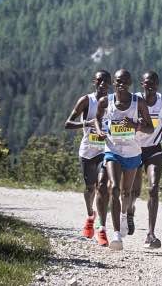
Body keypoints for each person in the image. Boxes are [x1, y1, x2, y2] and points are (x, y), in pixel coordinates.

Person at [94, 69, 155, 251]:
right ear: (114, 82)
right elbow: (97, 118)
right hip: (112, 150)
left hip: (132, 152)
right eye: (119, 81)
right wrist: (98, 130)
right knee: (114, 187)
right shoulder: (106, 101)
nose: (122, 84)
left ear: (130, 83)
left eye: (125, 81)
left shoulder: (138, 103)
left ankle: (123, 217)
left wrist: (135, 125)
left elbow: (150, 128)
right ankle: (116, 235)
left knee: (126, 193)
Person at [63, 69, 111, 246]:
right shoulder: (86, 100)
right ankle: (91, 216)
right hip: (87, 151)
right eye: (100, 80)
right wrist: (88, 123)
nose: (103, 84)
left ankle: (101, 228)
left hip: (105, 150)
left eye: (106, 81)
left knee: (102, 187)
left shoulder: (112, 102)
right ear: (95, 82)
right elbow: (67, 123)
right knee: (90, 188)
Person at [128, 71, 162, 248]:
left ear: (158, 84)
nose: (150, 86)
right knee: (133, 192)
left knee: (153, 188)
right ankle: (130, 210)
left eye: (153, 83)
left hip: (154, 150)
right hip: (135, 148)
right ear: (141, 84)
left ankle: (151, 234)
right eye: (147, 83)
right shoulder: (134, 100)